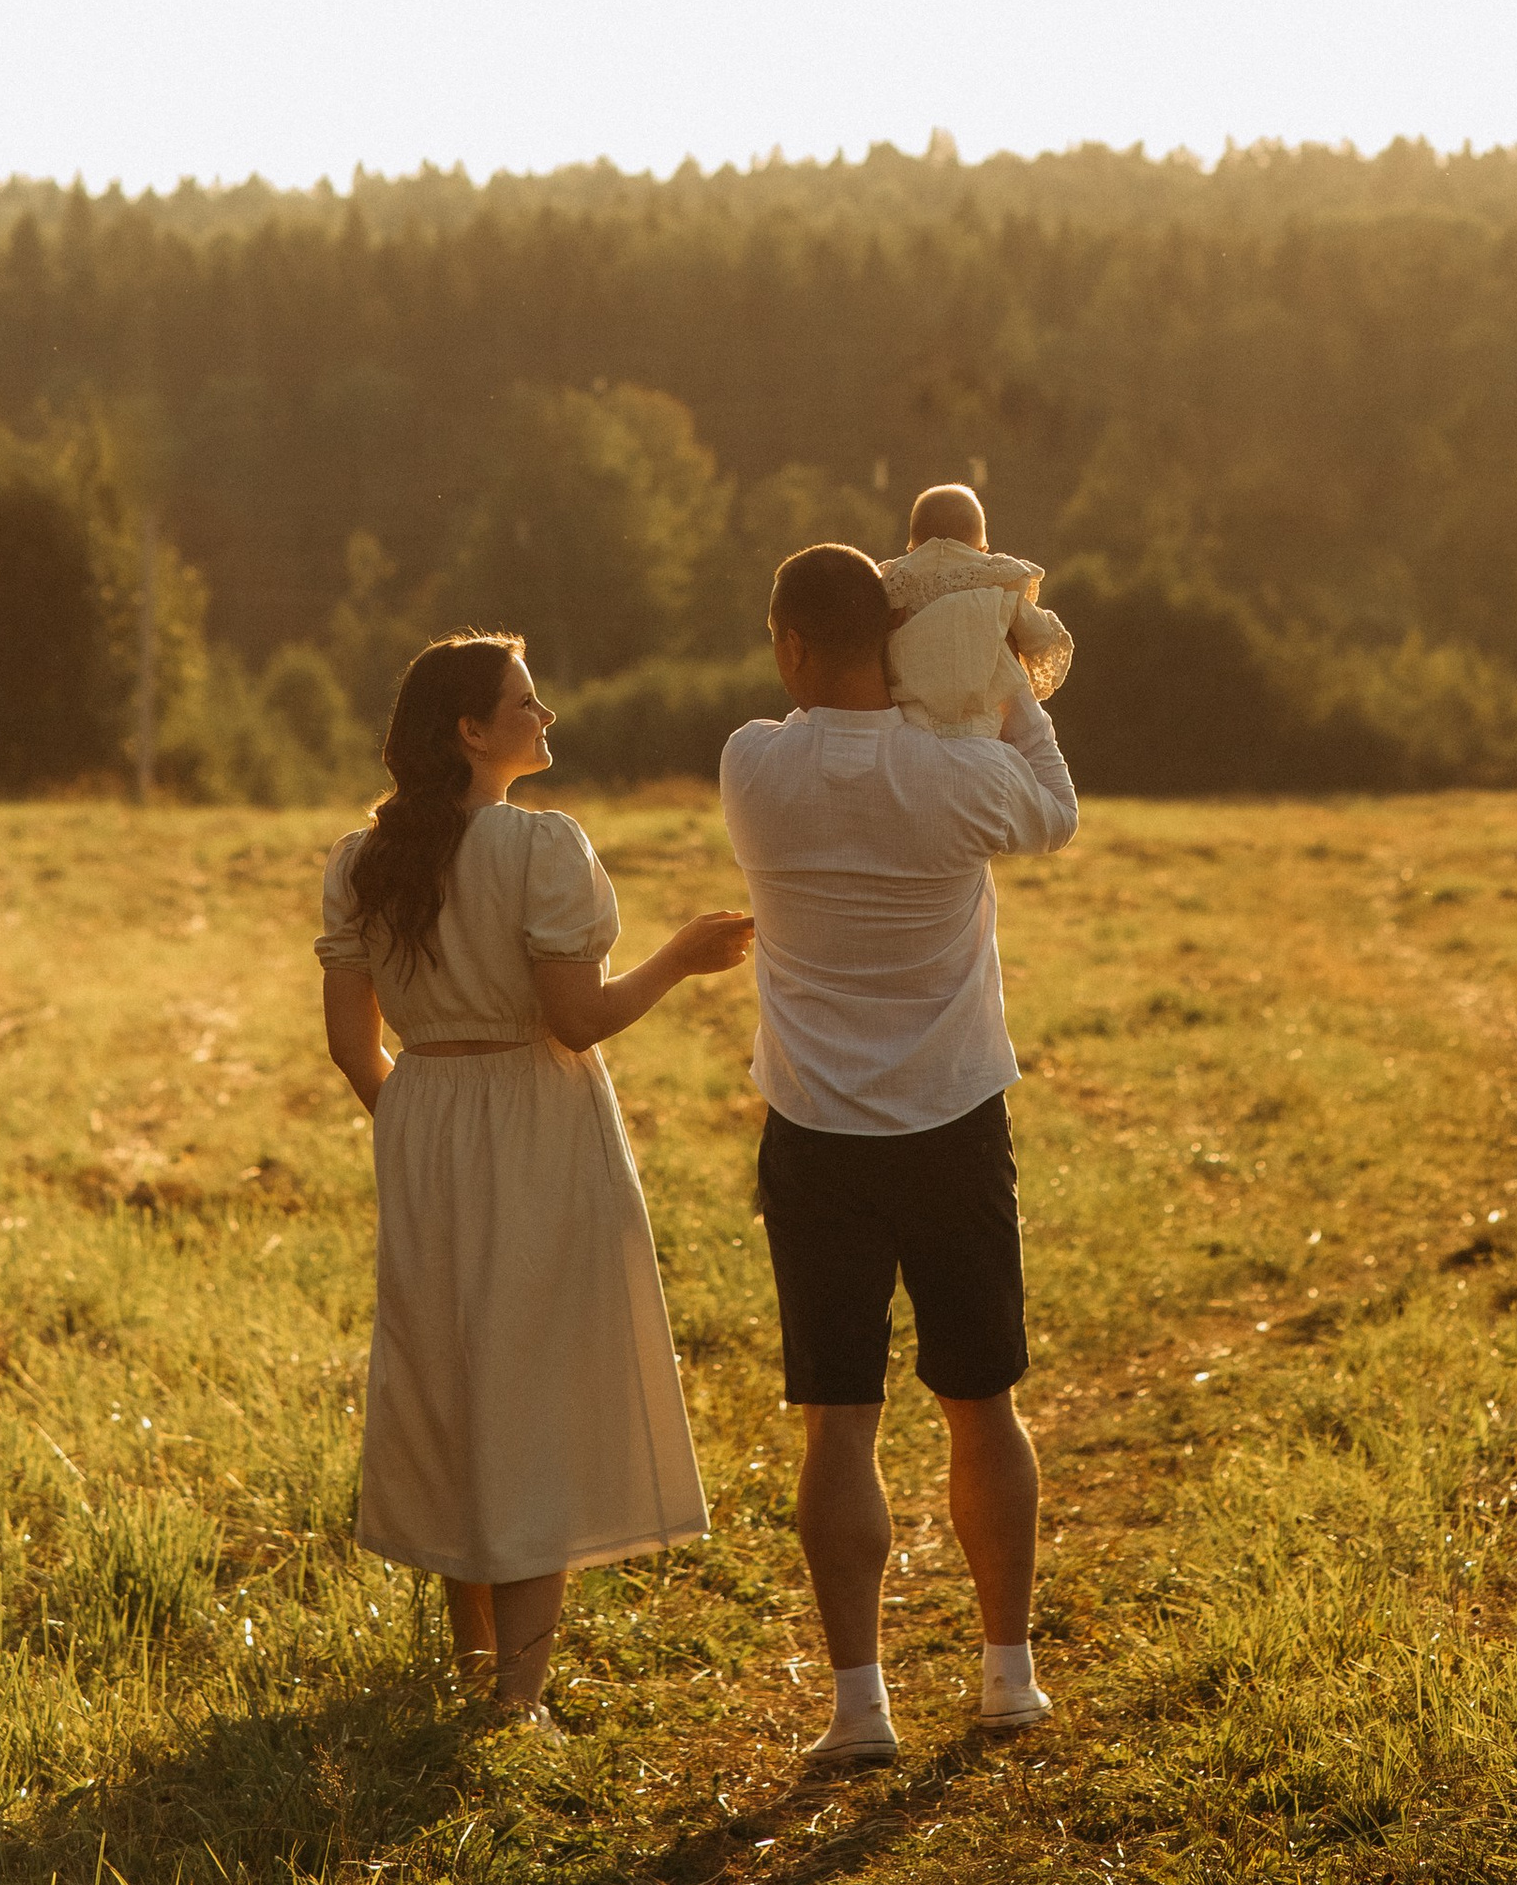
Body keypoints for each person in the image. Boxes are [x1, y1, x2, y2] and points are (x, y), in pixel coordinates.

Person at [317, 629, 753, 1721]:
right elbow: (577, 1018)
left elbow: (347, 1042)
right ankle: (518, 1697)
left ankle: (475, 1673)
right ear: (470, 731)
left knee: (452, 1383)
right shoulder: (539, 846)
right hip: (534, 1116)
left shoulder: (361, 858)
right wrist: (679, 957)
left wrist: (419, 1121)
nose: (545, 714)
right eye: (525, 700)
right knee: (536, 1388)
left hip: (425, 1119)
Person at [720, 541, 1079, 1768]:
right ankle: (1005, 1679)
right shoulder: (957, 774)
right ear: (891, 644)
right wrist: (999, 672)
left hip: (816, 1134)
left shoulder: (751, 769)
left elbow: (825, 731)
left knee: (838, 1427)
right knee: (981, 1404)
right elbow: (1056, 811)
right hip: (952, 1120)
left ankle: (857, 1704)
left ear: (787, 647)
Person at [881, 477, 1074, 740]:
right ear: (983, 548)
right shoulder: (996, 574)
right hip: (978, 718)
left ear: (911, 547)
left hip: (909, 712)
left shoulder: (895, 576)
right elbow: (1034, 630)